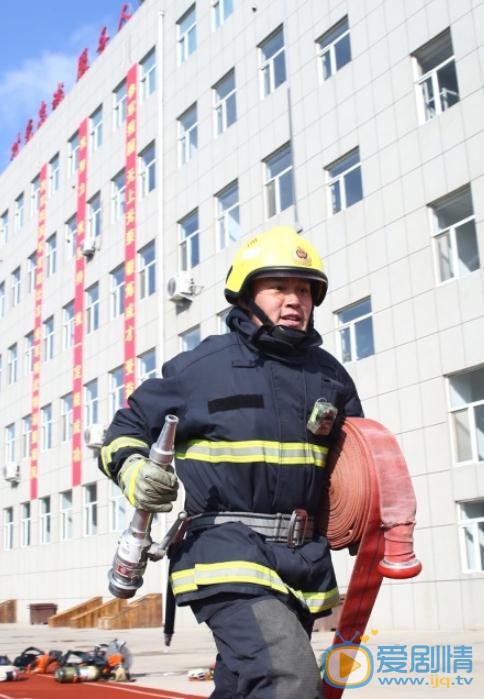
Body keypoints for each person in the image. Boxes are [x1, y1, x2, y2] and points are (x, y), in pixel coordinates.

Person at [99, 225, 363, 698]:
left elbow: (357, 467)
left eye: (304, 289)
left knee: (243, 685)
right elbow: (123, 431)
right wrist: (135, 471)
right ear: (246, 295)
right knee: (288, 676)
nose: (294, 300)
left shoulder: (330, 377)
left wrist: (376, 524)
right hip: (223, 549)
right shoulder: (203, 369)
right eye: (279, 286)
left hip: (300, 560)